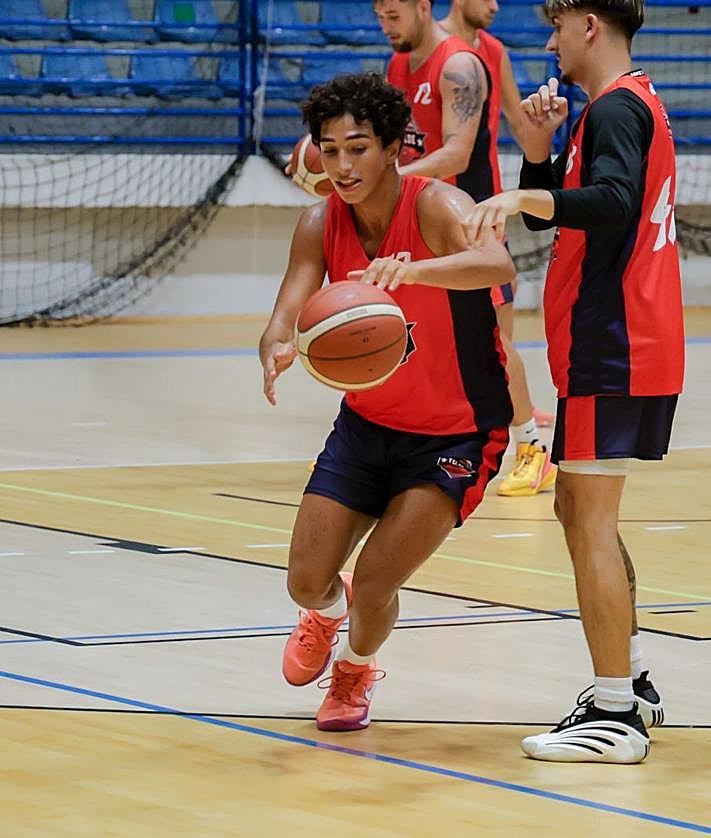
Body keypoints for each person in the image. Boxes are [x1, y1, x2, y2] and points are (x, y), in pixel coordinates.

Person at [260, 72, 515, 732]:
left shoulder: (436, 206)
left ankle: (353, 672)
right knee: (302, 581)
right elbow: (288, 305)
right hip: (366, 424)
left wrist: (418, 269)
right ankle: (325, 609)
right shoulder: (318, 220)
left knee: (376, 581)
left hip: (457, 433)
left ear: (393, 147)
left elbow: (497, 264)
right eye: (330, 149)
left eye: (357, 147)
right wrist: (277, 343)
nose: (341, 165)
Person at [465, 0, 683, 762]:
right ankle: (629, 683)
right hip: (616, 345)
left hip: (615, 344)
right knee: (578, 508)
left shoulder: (619, 109)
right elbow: (575, 215)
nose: (549, 42)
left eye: (557, 26)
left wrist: (526, 192)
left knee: (586, 519)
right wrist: (534, 155)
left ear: (589, 25)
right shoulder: (615, 109)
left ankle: (616, 713)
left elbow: (614, 203)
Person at [375, 0, 556, 498]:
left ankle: (532, 450)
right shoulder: (397, 65)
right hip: (418, 217)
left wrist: (377, 179)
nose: (385, 26)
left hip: (471, 224)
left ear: (422, 7)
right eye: (380, 17)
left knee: (495, 346)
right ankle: (379, 445)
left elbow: (456, 153)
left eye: (394, 15)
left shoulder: (460, 65)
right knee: (399, 333)